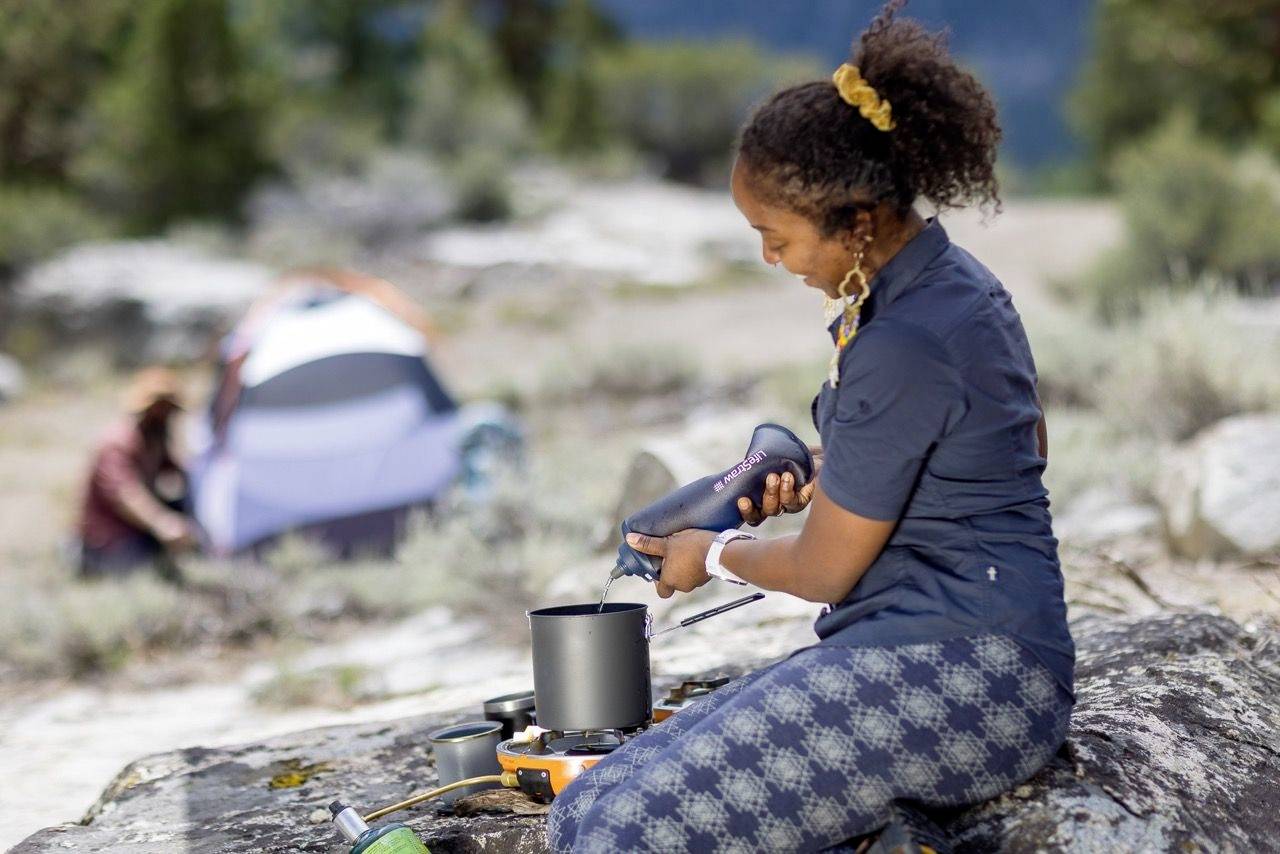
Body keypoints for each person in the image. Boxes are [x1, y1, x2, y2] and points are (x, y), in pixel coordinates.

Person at [546, 2, 1074, 851]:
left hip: (972, 675)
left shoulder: (906, 336)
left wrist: (708, 554)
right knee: (589, 799)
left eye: (776, 236)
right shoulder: (945, 287)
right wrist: (845, 467)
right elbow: (1015, 445)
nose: (770, 258)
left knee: (619, 833)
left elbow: (826, 570)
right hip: (926, 648)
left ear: (855, 222)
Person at [75, 367, 197, 580]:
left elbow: (176, 469)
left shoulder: (153, 439)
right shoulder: (117, 443)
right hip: (109, 539)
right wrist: (163, 524)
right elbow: (125, 495)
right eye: (158, 408)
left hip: (134, 530)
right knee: (146, 574)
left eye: (168, 410)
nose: (163, 415)